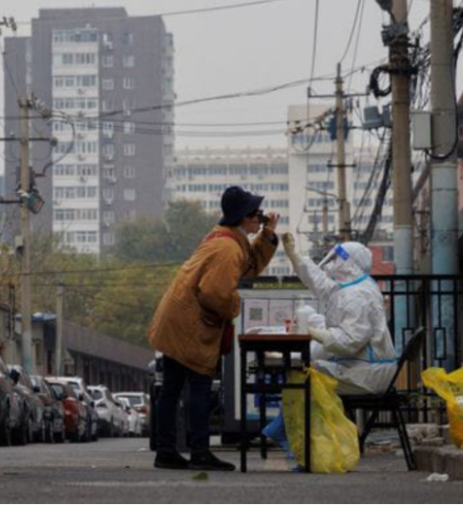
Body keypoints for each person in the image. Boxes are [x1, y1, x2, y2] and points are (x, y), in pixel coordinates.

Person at [147, 186, 279, 471]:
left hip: (177, 319)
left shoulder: (227, 239)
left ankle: (166, 451)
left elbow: (248, 267)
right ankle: (199, 451)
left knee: (171, 388)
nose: (259, 218)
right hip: (190, 325)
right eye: (256, 214)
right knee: (199, 386)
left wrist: (266, 236)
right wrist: (236, 307)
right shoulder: (227, 248)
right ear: (244, 217)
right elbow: (215, 293)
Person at [285, 238, 397, 395]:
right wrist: (295, 256)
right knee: (304, 362)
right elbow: (319, 282)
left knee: (303, 371)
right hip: (360, 365)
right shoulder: (352, 286)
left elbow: (350, 342)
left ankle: (303, 413)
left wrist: (311, 332)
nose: (331, 262)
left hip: (366, 373)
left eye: (336, 258)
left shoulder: (358, 295)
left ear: (348, 263)